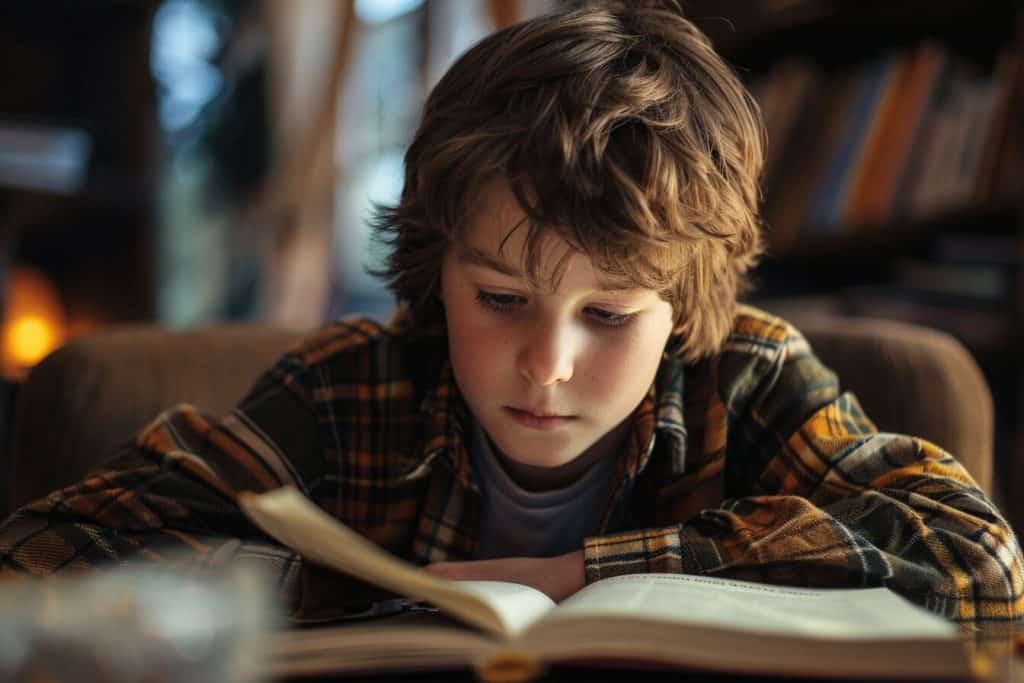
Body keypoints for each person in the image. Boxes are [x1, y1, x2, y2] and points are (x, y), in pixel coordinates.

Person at [1, 0, 1021, 623]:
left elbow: (978, 563)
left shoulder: (746, 377)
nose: (545, 363)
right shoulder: (351, 386)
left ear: (679, 304)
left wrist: (580, 572)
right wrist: (376, 597)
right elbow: (38, 560)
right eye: (499, 297)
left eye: (609, 314)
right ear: (437, 268)